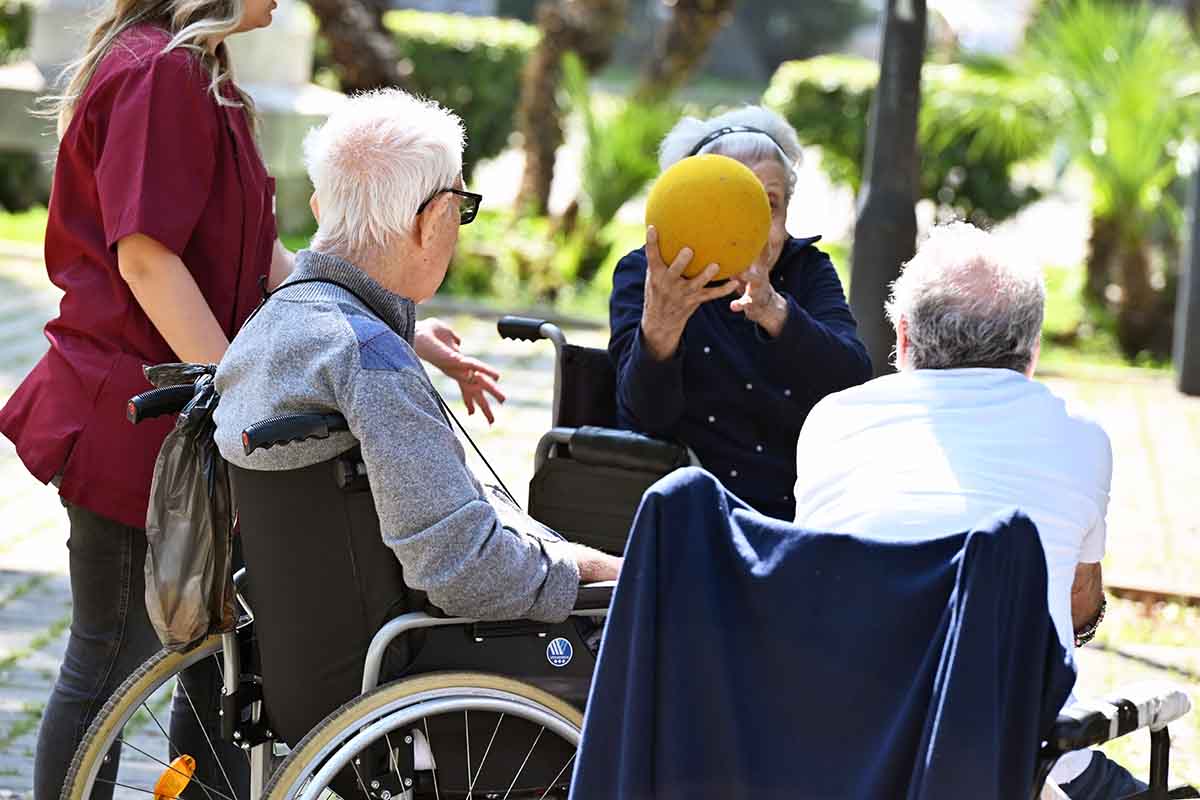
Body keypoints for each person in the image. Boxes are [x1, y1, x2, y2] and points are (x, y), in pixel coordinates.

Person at [0, 4, 500, 797]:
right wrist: (245, 393)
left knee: (228, 662)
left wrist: (396, 325)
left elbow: (260, 255)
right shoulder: (161, 70)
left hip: (183, 422)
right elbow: (146, 260)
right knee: (109, 663)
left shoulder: (202, 70)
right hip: (139, 428)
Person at [213, 88, 621, 626]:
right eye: (461, 209)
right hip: (422, 669)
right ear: (431, 220)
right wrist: (599, 570)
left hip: (314, 650)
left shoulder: (267, 326)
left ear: (319, 207)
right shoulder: (368, 358)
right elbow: (464, 570)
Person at [790, 222, 1133, 798]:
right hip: (1016, 761)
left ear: (901, 337)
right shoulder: (1079, 437)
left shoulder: (831, 421)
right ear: (1033, 349)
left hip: (842, 751)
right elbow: (1078, 605)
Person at [609, 106, 872, 521]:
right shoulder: (650, 273)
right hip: (686, 510)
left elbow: (852, 380)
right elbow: (643, 418)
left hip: (798, 511)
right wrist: (661, 328)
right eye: (732, 204)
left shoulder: (807, 269)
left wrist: (772, 309)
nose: (754, 225)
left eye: (770, 205)